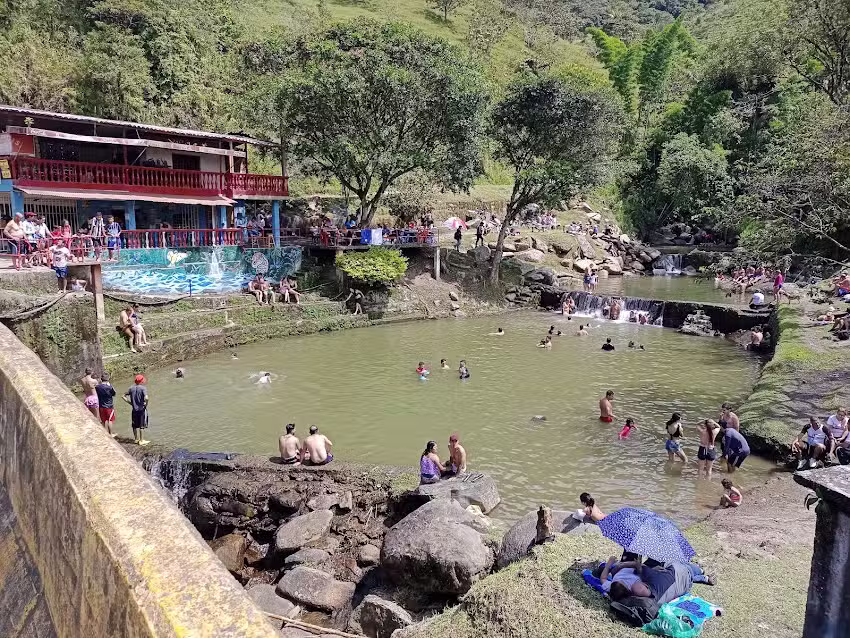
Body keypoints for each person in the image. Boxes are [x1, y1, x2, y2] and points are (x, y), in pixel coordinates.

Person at [123, 374, 150, 446]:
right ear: (141, 381)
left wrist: (131, 403)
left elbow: (123, 396)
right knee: (141, 426)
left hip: (134, 410)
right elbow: (146, 398)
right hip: (141, 410)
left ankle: (136, 439)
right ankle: (141, 440)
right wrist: (146, 404)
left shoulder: (131, 388)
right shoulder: (143, 388)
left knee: (134, 425)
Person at [95, 372, 117, 437]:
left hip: (101, 406)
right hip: (109, 406)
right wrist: (110, 385)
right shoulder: (109, 387)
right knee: (110, 420)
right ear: (108, 379)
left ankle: (106, 434)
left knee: (104, 420)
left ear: (101, 379)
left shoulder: (97, 387)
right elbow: (114, 394)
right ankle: (110, 434)